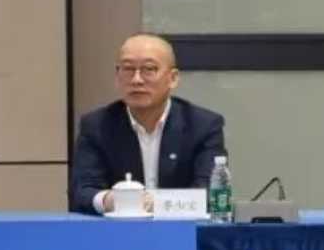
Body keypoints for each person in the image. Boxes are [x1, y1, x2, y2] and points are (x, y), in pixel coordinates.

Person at [70, 34, 226, 215]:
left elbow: (210, 191)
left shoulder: (203, 125)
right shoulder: (97, 126)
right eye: (128, 69)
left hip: (181, 230)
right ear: (117, 76)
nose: (136, 80)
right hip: (119, 230)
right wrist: (109, 200)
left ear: (173, 78)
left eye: (149, 69)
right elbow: (82, 191)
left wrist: (156, 203)